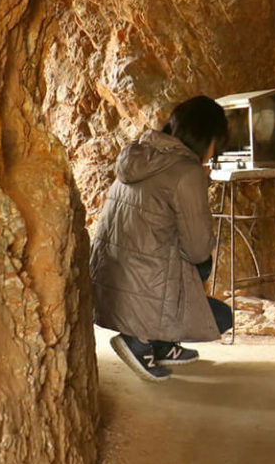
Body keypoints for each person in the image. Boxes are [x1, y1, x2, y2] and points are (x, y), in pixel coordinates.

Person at [90, 96, 233, 382]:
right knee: (220, 316)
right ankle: (141, 339)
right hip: (142, 290)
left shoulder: (138, 155)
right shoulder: (186, 171)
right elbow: (196, 250)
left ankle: (160, 343)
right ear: (207, 138)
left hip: (107, 288)